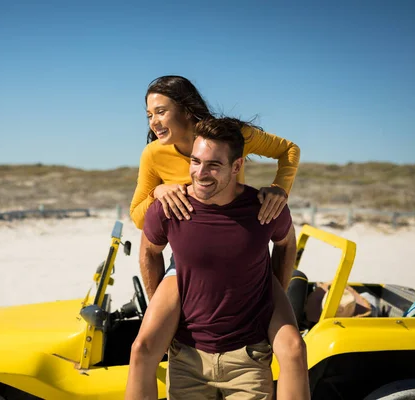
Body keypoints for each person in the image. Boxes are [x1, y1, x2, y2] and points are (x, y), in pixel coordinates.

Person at [125, 76, 309, 399]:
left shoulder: (233, 134)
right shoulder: (154, 154)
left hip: (243, 244)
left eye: (160, 111)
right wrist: (159, 191)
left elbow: (288, 150)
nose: (154, 122)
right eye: (149, 115)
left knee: (293, 346)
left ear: (183, 109)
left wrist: (280, 192)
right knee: (143, 344)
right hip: (186, 253)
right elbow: (140, 217)